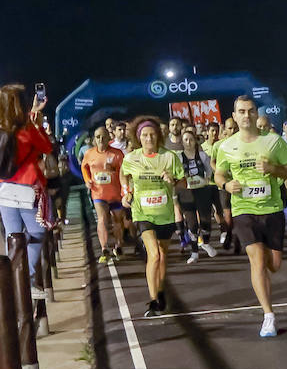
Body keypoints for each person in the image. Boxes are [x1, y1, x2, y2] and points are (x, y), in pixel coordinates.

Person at [214, 96, 287, 337]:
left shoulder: (273, 141)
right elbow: (219, 175)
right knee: (257, 259)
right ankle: (268, 315)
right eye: (242, 111)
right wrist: (227, 185)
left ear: (255, 114)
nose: (246, 115)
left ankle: (267, 297)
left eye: (250, 111)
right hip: (244, 211)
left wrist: (274, 170)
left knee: (274, 264)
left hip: (271, 209)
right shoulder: (227, 146)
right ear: (235, 115)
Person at [0, 84, 52, 295]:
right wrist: (36, 119)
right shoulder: (27, 129)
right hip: (27, 185)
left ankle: (15, 281)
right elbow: (47, 147)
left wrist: (32, 114)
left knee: (13, 235)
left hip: (2, 185)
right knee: (36, 232)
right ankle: (29, 279)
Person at [121, 118, 185, 317]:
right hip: (142, 213)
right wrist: (126, 191)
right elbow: (123, 175)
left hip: (164, 214)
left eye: (152, 134)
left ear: (158, 135)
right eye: (144, 135)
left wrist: (172, 180)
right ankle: (154, 300)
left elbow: (183, 183)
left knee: (163, 255)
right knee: (154, 254)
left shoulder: (170, 157)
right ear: (138, 138)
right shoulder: (132, 158)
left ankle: (160, 290)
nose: (148, 138)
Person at [81, 124, 126, 264]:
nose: (100, 139)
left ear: (108, 138)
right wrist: (88, 180)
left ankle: (118, 245)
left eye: (103, 137)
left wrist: (125, 189)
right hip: (98, 193)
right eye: (97, 137)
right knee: (102, 219)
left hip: (115, 193)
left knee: (117, 221)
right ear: (94, 139)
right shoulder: (89, 153)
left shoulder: (117, 154)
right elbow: (84, 167)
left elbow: (124, 173)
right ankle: (104, 248)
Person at [177, 127, 219, 264]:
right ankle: (194, 252)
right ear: (182, 142)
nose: (188, 142)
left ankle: (206, 242)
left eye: (191, 139)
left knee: (206, 219)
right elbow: (175, 174)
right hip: (186, 193)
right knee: (192, 223)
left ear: (195, 141)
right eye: (185, 140)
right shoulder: (178, 157)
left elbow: (209, 171)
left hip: (202, 190)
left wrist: (206, 179)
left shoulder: (202, 156)